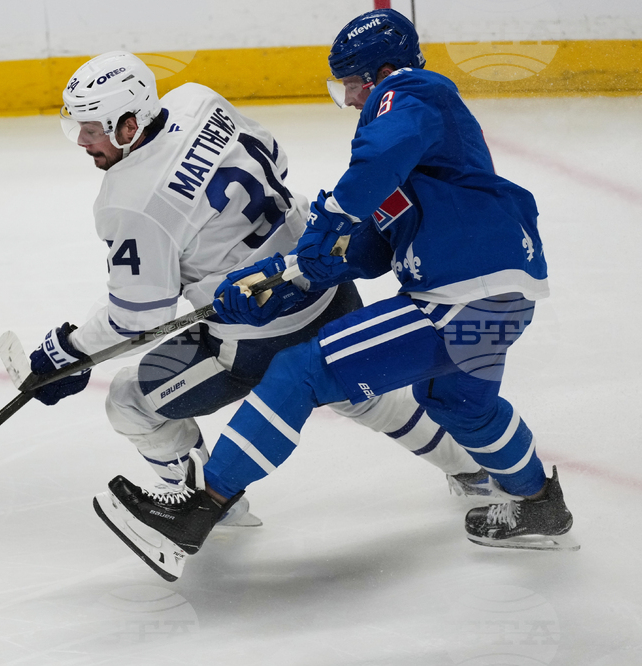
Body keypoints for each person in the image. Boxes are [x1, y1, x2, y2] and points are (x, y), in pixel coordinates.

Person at [93, 13, 577, 580]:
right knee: (459, 404)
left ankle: (202, 509)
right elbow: (369, 251)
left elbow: (373, 164)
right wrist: (285, 275)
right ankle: (541, 504)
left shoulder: (414, 92)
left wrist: (329, 218)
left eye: (352, 83)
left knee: (300, 369)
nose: (348, 99)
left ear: (383, 73)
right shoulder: (419, 156)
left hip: (461, 299)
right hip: (498, 299)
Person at [32, 50, 490, 554]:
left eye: (94, 128)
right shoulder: (198, 100)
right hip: (321, 274)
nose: (82, 140)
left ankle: (201, 508)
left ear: (128, 123)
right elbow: (277, 156)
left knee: (129, 402)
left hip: (258, 331)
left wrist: (68, 350)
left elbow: (137, 317)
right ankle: (474, 471)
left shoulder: (128, 198)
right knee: (362, 394)